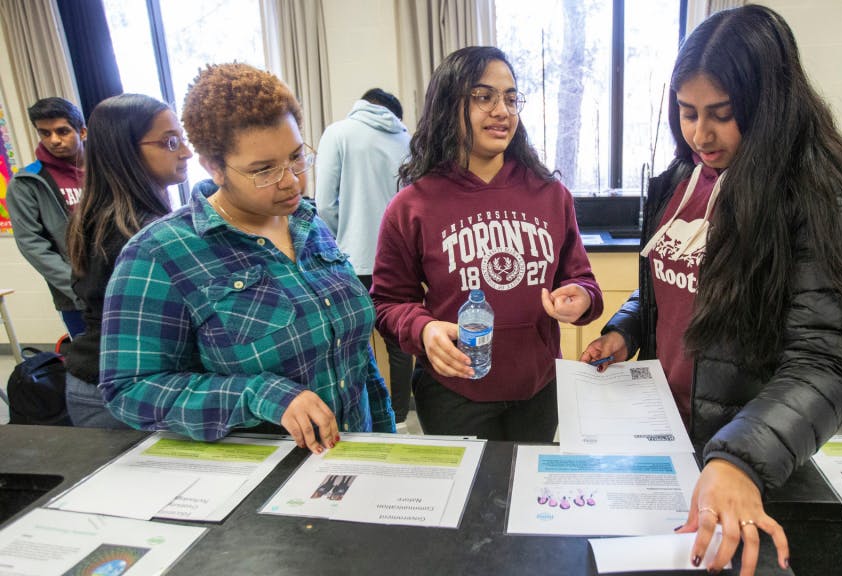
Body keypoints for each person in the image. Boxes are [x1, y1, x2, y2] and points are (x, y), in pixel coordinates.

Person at [579, 5, 842, 574]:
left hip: (751, 456)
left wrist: (740, 459)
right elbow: (668, 287)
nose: (700, 134)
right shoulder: (682, 179)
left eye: (722, 115)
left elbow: (826, 359)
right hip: (668, 439)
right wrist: (627, 329)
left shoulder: (815, 194)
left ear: (768, 105)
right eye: (687, 113)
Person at [100, 63, 395, 452]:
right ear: (214, 167)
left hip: (352, 450)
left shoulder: (309, 222)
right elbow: (129, 388)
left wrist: (384, 440)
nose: (291, 180)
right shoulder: (161, 252)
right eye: (264, 170)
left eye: (295, 157)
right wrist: (257, 394)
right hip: (264, 471)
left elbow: (353, 355)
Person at [371, 46, 603, 442]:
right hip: (453, 394)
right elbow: (388, 303)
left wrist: (581, 297)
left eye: (511, 98)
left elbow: (583, 281)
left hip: (539, 392)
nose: (502, 110)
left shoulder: (550, 195)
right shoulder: (412, 205)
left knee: (526, 499)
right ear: (448, 106)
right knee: (470, 505)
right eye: (484, 97)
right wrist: (423, 330)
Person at [63, 94, 190, 428]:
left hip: (94, 379)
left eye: (182, 139)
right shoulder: (140, 233)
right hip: (111, 391)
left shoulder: (100, 216)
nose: (185, 152)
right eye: (170, 142)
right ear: (125, 151)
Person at [316, 88, 415, 429]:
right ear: (394, 113)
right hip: (401, 261)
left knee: (352, 343)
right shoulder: (409, 140)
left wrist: (331, 246)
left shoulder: (338, 133)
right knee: (401, 343)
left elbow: (325, 204)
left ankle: (364, 421)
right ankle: (400, 417)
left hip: (350, 258)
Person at [7, 97, 87, 337]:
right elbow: (32, 245)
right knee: (94, 368)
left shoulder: (106, 169)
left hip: (123, 283)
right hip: (77, 299)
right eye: (45, 133)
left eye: (62, 131)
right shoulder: (27, 182)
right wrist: (77, 287)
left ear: (82, 131)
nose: (54, 140)